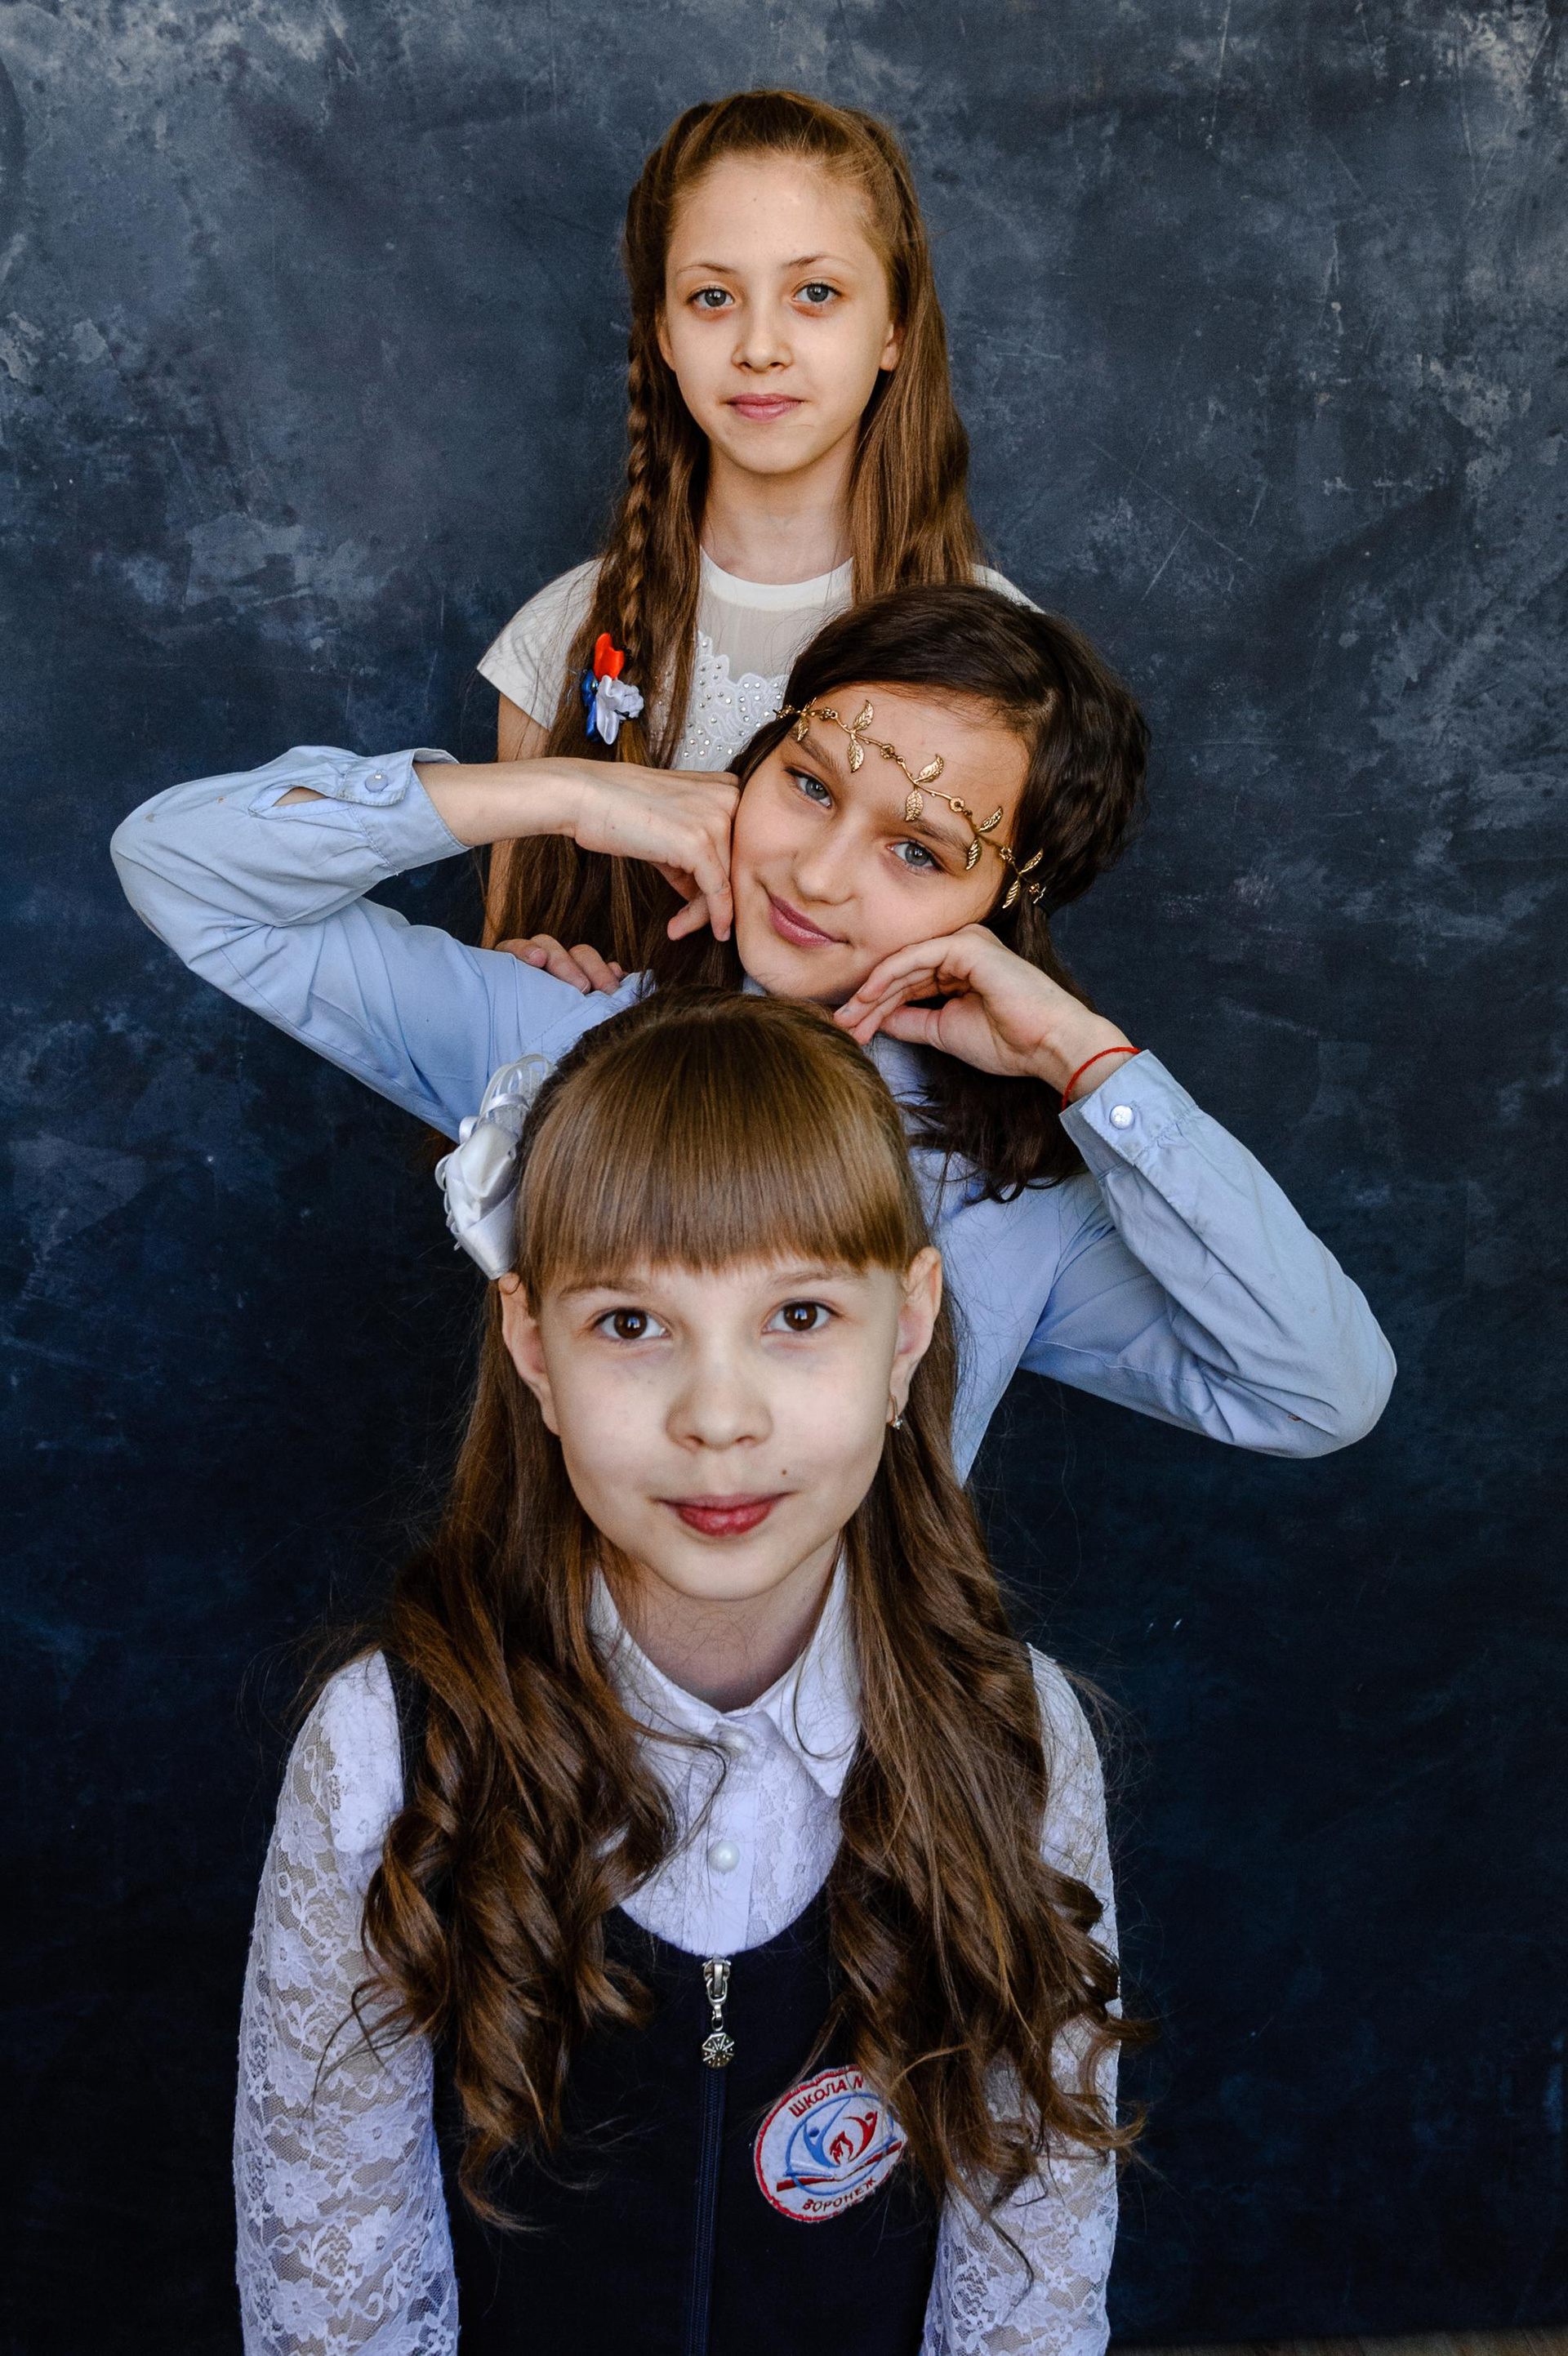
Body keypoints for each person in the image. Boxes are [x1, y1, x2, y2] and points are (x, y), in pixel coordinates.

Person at [235, 988, 1136, 2355]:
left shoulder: (1015, 1735)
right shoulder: (387, 1746)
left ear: (907, 1331)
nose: (719, 1417)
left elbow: (1034, 2265)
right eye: (632, 1325)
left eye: (799, 1313)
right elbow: (333, 2279)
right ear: (533, 1347)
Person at [112, 582, 1395, 1476]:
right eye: (809, 784)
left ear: (1002, 907)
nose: (820, 874)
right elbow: (183, 872)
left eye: (917, 849)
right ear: (757, 753)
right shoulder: (551, 1040)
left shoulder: (1010, 1203)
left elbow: (1320, 1392)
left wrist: (1092, 1065)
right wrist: (562, 791)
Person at [476, 86, 1033, 965]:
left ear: (893, 325)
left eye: (815, 292)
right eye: (712, 296)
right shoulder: (560, 638)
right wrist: (527, 978)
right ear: (662, 332)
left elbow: (999, 985)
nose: (760, 346)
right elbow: (489, 999)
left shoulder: (1005, 656)